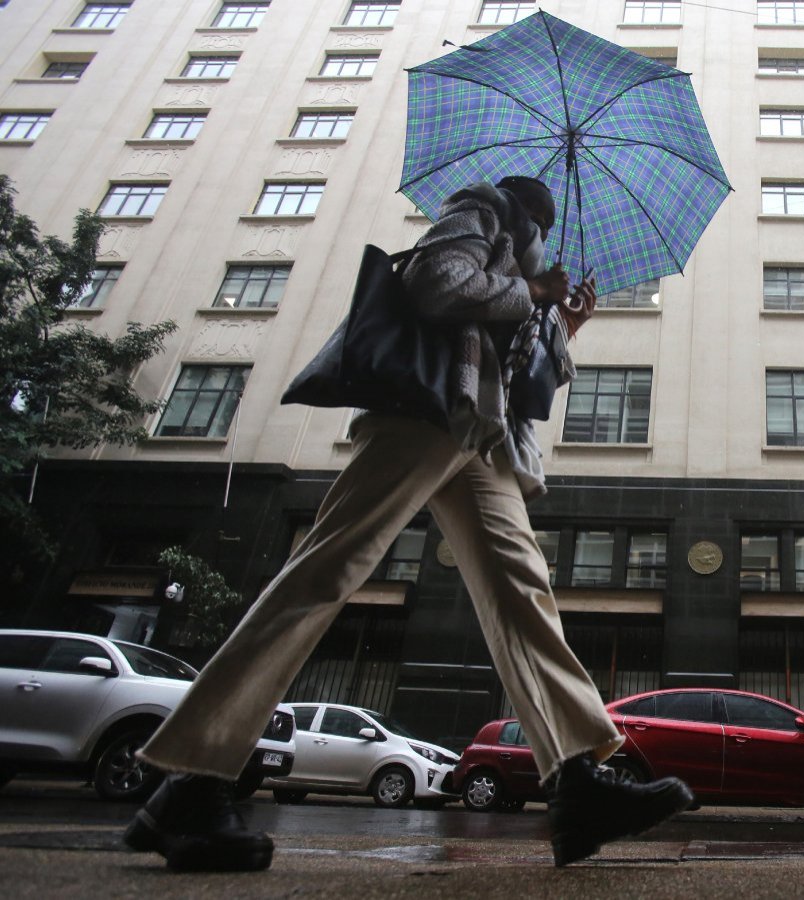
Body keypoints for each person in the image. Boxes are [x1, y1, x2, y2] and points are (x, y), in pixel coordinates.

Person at [122, 175, 693, 872]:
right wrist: (532, 294)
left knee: (524, 592)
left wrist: (562, 326)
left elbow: (526, 380)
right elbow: (436, 286)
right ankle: (192, 780)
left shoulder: (532, 254)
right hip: (429, 413)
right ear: (520, 185)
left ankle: (576, 785)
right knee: (327, 569)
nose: (549, 205)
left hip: (484, 437)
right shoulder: (481, 207)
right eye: (539, 197)